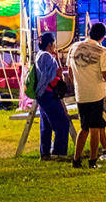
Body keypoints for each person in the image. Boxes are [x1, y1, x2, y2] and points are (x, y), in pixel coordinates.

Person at [70, 22, 106, 169]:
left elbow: (70, 72)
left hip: (81, 94)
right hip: (97, 94)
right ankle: (92, 160)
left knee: (84, 128)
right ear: (102, 36)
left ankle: (76, 159)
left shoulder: (74, 48)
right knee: (95, 128)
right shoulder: (102, 51)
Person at [32, 32, 70, 161]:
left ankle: (45, 153)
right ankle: (58, 152)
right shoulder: (48, 57)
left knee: (46, 125)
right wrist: (59, 75)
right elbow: (50, 78)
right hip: (49, 93)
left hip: (42, 94)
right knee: (62, 123)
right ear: (50, 44)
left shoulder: (39, 55)